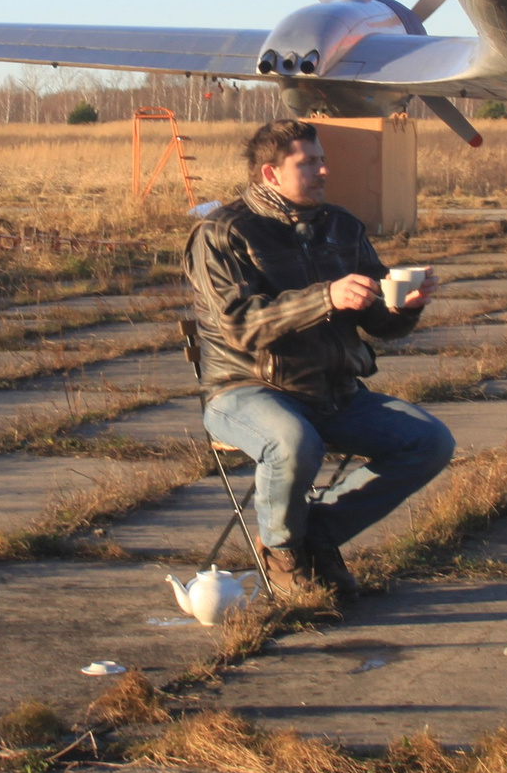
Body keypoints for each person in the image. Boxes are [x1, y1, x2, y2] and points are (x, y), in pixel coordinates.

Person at [187, 118, 457, 599]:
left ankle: (318, 533)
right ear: (270, 174)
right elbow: (240, 325)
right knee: (293, 441)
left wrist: (403, 307)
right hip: (247, 388)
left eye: (321, 159)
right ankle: (284, 554)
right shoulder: (224, 233)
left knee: (429, 442)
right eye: (308, 162)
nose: (323, 170)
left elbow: (379, 323)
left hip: (333, 391)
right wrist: (326, 297)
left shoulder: (340, 226)